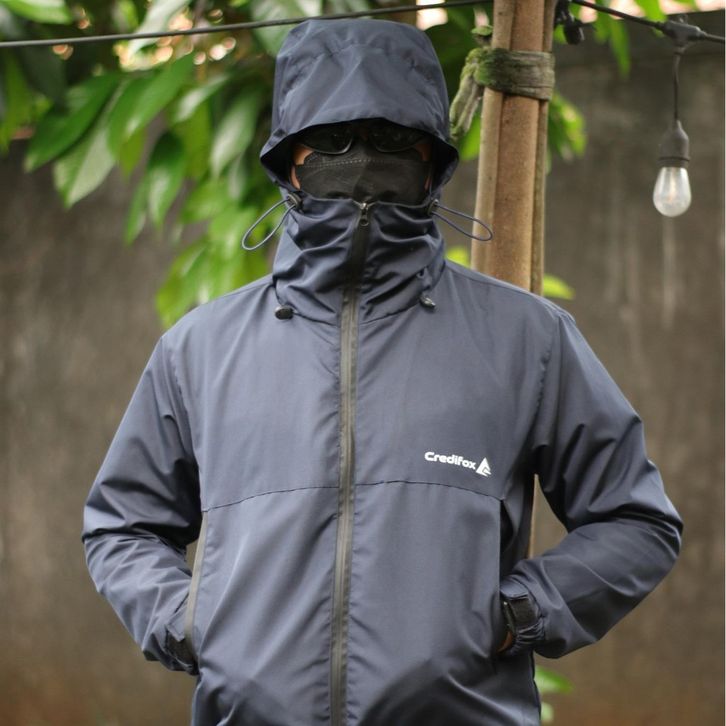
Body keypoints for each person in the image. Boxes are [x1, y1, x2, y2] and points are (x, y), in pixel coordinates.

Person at [82, 18, 682, 726]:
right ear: (289, 159)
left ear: (432, 161)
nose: (362, 159)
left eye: (392, 138)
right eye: (334, 139)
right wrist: (189, 621)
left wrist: (518, 613)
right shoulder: (200, 349)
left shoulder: (527, 338)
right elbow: (123, 525)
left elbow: (635, 520)